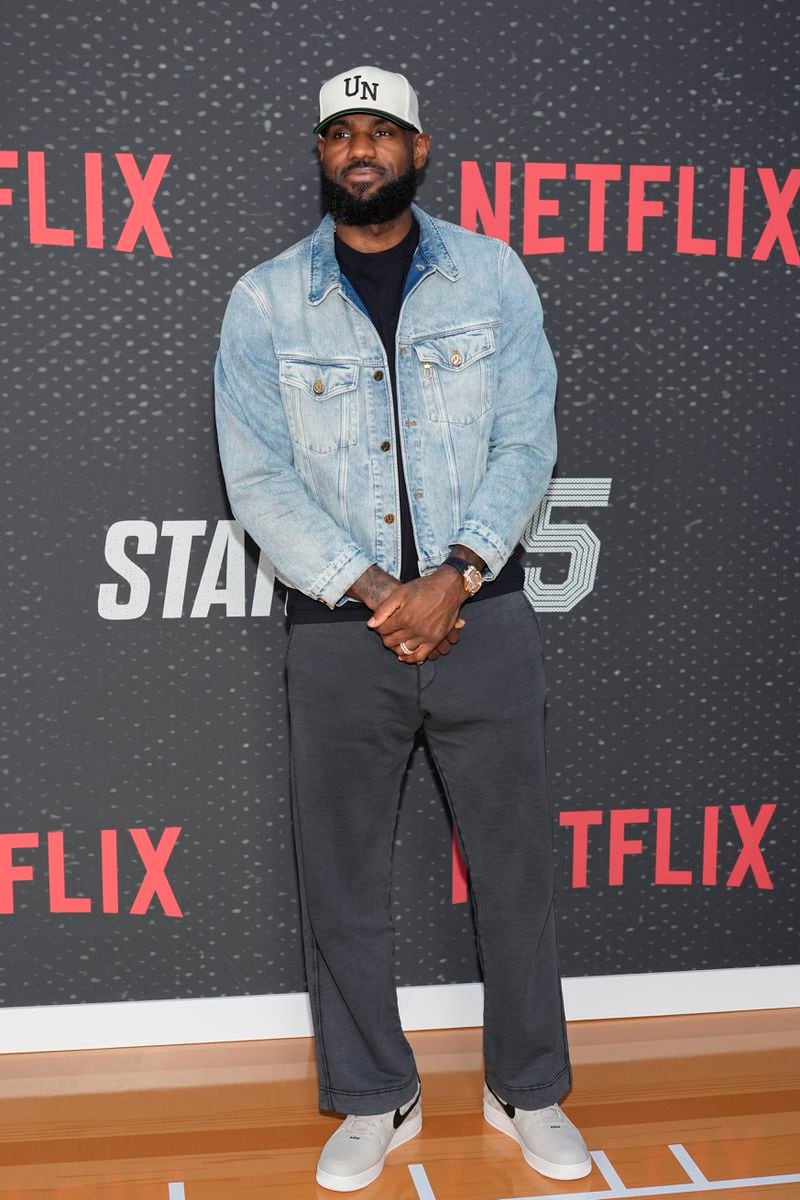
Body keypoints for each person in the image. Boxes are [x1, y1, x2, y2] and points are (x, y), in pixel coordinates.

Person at [214, 64, 590, 1192]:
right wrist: (384, 591)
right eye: (341, 133)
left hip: (488, 613)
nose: (361, 148)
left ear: (420, 150)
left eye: (382, 130)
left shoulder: (489, 274)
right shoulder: (264, 301)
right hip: (339, 630)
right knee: (339, 879)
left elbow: (528, 440)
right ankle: (375, 1094)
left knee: (516, 872)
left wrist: (457, 572)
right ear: (322, 156)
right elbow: (256, 477)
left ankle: (527, 1087)